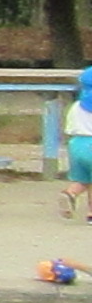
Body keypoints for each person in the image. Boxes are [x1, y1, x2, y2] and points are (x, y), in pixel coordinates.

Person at [62, 66, 92, 219]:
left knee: (84, 179)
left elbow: (69, 129)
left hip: (77, 144)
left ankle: (70, 193)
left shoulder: (76, 107)